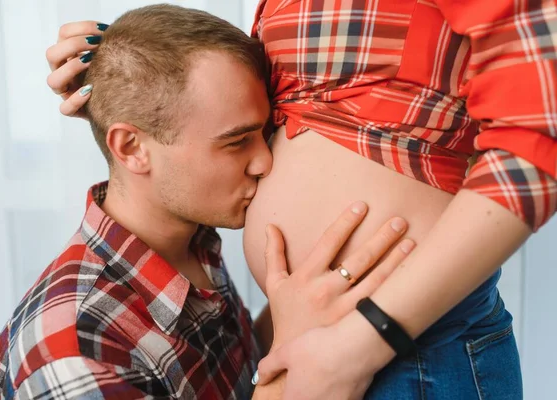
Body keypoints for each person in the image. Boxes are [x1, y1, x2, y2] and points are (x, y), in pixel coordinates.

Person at [49, 0, 557, 399]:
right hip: (315, 345)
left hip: (410, 349)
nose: (263, 161)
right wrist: (135, 75)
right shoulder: (79, 332)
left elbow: (542, 130)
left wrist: (363, 341)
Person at [0, 5, 414, 399]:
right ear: (131, 147)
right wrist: (291, 346)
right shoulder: (74, 350)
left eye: (265, 133)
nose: (265, 162)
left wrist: (295, 315)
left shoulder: (191, 243)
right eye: (237, 142)